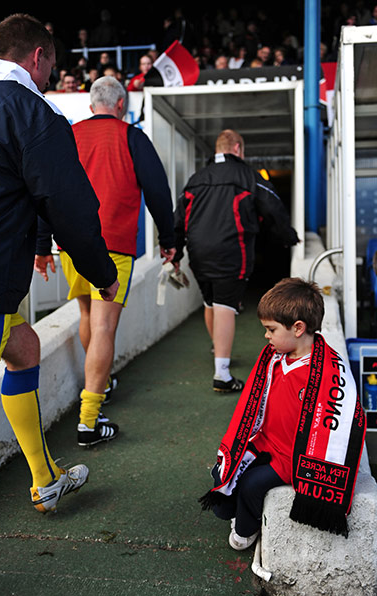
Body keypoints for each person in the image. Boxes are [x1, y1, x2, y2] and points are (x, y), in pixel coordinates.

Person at [0, 13, 119, 513]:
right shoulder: (33, 112)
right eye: (53, 64)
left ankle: (44, 480)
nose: (53, 75)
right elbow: (69, 207)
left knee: (24, 347)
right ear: (38, 57)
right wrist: (103, 273)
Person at [35, 75, 176, 447]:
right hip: (113, 247)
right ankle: (88, 422)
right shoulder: (132, 136)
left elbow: (42, 188)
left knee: (87, 318)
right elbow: (158, 191)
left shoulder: (68, 135)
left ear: (92, 103)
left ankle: (100, 383)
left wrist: (40, 244)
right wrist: (170, 238)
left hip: (69, 247)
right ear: (120, 105)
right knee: (103, 329)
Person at [199, 278, 366, 549]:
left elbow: (343, 420)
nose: (266, 336)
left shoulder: (328, 373)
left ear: (298, 328)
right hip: (267, 441)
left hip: (292, 456)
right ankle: (232, 512)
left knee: (252, 483)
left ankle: (245, 530)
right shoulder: (276, 357)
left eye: (271, 329)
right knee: (227, 466)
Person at [173, 129, 299, 392]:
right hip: (232, 252)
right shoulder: (248, 177)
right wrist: (288, 237)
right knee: (225, 307)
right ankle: (222, 375)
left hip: (198, 253)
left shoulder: (197, 179)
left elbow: (178, 217)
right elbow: (274, 208)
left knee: (210, 302)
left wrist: (174, 251)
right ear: (238, 149)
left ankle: (218, 348)